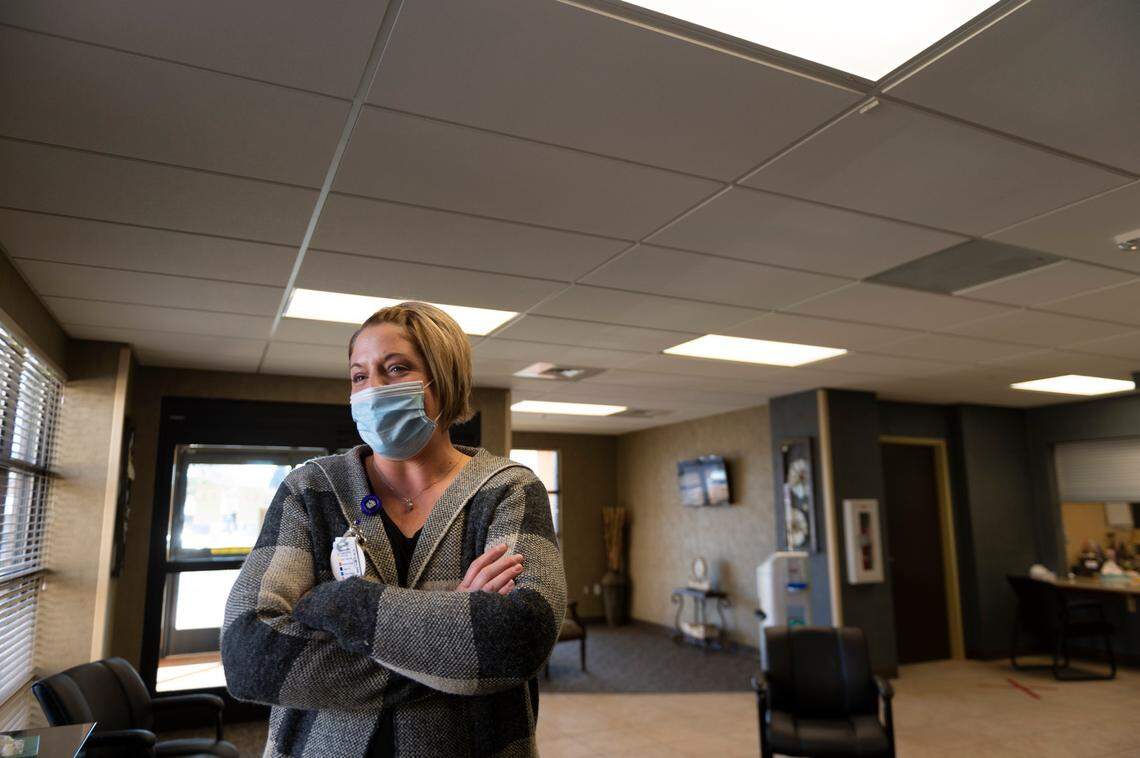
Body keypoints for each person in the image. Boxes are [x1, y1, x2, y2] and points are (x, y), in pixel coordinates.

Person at [221, 301, 567, 757]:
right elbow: (252, 658)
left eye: (396, 368)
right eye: (359, 376)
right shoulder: (311, 489)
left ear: (443, 380)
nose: (372, 390)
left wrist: (339, 603)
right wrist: (455, 632)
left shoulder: (508, 489)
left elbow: (516, 640)